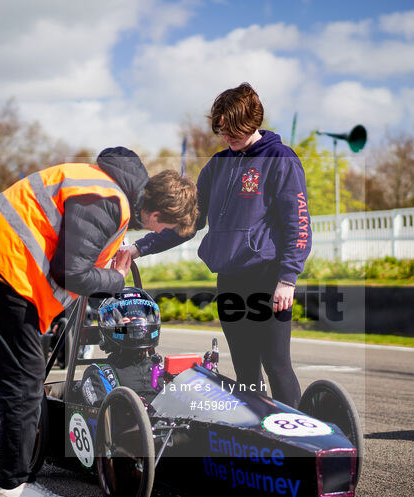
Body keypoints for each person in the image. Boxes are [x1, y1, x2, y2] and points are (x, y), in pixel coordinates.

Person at [0, 147, 196, 497]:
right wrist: (115, 278)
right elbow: (72, 274)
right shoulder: (108, 200)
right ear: (156, 214)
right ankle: (14, 486)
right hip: (10, 266)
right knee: (25, 379)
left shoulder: (107, 181)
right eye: (164, 228)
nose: (158, 233)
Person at [124, 83, 311, 408]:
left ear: (251, 121)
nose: (226, 138)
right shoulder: (217, 165)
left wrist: (288, 279)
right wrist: (141, 247)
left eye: (231, 131)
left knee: (277, 366)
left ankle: (297, 450)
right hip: (230, 281)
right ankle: (260, 446)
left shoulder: (280, 159)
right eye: (222, 131)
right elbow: (188, 222)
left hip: (269, 281)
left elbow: (299, 225)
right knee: (246, 372)